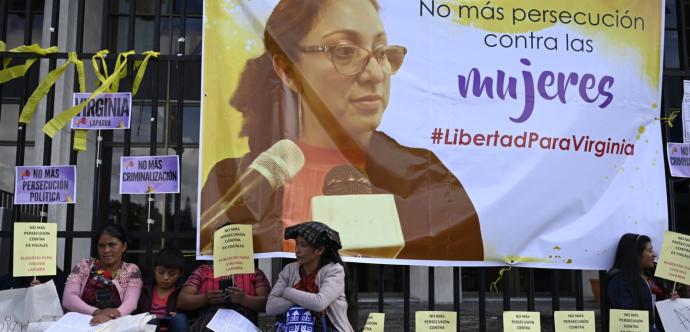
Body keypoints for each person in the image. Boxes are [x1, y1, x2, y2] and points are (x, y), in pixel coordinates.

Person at [200, 0, 483, 261]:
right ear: (288, 70)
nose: (375, 74)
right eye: (345, 51)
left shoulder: (430, 182)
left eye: (382, 52)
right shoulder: (232, 181)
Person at [267, 222, 352, 332]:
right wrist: (307, 301)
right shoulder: (289, 270)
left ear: (319, 250)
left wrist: (287, 292)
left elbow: (319, 303)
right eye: (296, 244)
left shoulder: (334, 270)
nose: (297, 250)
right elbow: (271, 306)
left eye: (303, 245)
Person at [62, 223, 143, 325]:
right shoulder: (83, 266)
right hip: (82, 324)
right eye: (101, 246)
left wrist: (112, 314)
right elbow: (68, 299)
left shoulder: (131, 270)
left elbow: (131, 303)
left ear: (124, 246)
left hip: (116, 325)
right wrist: (97, 312)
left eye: (112, 245)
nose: (106, 250)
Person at [607, 233, 677, 332]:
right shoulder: (620, 283)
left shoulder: (651, 278)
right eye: (649, 250)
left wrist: (669, 302)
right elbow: (630, 321)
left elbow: (655, 313)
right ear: (636, 254)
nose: (654, 255)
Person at [176, 261, 270, 330]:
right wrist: (205, 298)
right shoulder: (203, 271)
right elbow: (182, 301)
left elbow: (268, 303)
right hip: (207, 321)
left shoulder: (254, 272)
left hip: (242, 323)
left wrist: (244, 299)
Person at [136, 247, 188, 332]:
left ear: (180, 273)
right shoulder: (144, 289)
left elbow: (189, 318)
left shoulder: (183, 291)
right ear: (154, 269)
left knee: (180, 319)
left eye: (172, 274)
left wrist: (177, 316)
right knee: (151, 321)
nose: (165, 277)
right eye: (161, 272)